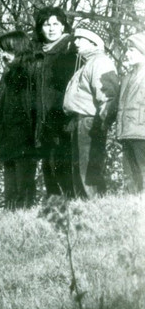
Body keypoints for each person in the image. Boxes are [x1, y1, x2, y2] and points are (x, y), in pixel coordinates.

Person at [63, 26, 119, 198]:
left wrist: (102, 122)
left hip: (90, 121)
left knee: (88, 171)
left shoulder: (100, 62)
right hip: (80, 121)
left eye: (81, 38)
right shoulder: (88, 64)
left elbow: (108, 96)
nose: (76, 42)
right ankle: (85, 206)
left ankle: (94, 205)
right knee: (80, 167)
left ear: (94, 42)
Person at [0, 30, 39, 209]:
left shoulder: (32, 72)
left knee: (23, 188)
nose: (3, 55)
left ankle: (23, 222)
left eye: (7, 50)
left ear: (19, 49)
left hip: (26, 139)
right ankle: (11, 223)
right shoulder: (9, 76)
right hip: (9, 139)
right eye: (1, 50)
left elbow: (35, 109)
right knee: (10, 189)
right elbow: (2, 109)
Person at [32, 6, 79, 197]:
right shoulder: (37, 54)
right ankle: (55, 212)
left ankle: (72, 205)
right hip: (43, 123)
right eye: (46, 24)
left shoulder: (71, 51)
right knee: (48, 168)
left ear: (63, 27)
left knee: (63, 166)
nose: (51, 29)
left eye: (56, 24)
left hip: (64, 120)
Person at [116, 32, 145, 193]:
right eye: (127, 50)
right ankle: (133, 205)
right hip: (127, 133)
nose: (127, 54)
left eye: (132, 50)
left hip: (142, 134)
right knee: (130, 174)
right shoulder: (127, 77)